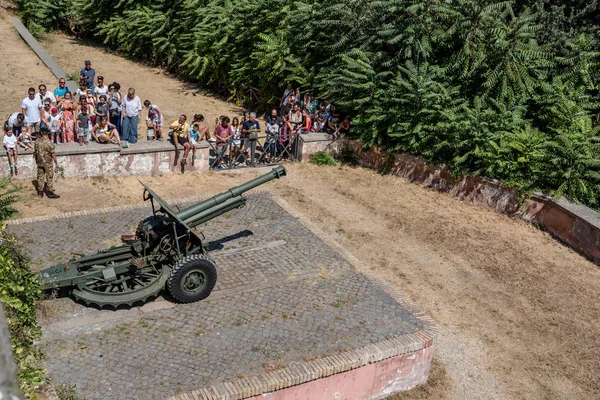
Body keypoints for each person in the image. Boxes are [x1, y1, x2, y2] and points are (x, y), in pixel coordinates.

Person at [33, 125, 60, 198]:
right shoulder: (49, 143)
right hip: (48, 163)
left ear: (41, 133)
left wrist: (36, 160)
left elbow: (35, 152)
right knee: (49, 177)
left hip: (39, 162)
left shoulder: (37, 142)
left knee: (40, 177)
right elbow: (53, 154)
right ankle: (50, 192)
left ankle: (40, 192)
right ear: (47, 133)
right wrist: (56, 163)